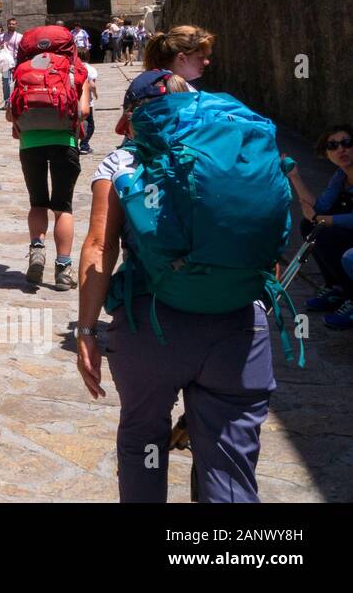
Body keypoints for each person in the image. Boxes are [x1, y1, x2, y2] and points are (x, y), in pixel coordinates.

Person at [77, 71, 286, 503]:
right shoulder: (240, 152)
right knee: (229, 464)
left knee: (144, 443)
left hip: (151, 326)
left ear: (134, 116)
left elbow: (100, 245)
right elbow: (267, 241)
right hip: (239, 326)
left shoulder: (121, 163)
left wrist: (85, 329)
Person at [7, 29, 89, 290]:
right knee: (62, 207)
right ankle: (63, 269)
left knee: (37, 202)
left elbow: (11, 114)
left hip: (30, 144)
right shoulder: (75, 69)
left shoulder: (22, 68)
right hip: (64, 141)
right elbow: (83, 110)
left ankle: (37, 249)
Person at [283, 124, 353, 328]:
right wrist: (294, 176)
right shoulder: (341, 177)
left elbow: (326, 217)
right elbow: (320, 207)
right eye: (333, 145)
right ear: (326, 153)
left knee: (325, 232)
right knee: (308, 227)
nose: (341, 149)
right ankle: (337, 288)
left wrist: (326, 220)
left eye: (347, 143)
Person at [143, 24, 214, 84]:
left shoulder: (153, 87)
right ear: (181, 58)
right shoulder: (170, 95)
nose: (207, 62)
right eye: (201, 57)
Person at [0, 17, 22, 111]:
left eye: (13, 24)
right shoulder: (2, 36)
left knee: (16, 82)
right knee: (6, 82)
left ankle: (16, 102)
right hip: (5, 63)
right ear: (7, 25)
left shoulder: (20, 37)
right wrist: (0, 47)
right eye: (10, 24)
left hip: (16, 62)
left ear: (16, 25)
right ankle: (7, 102)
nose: (11, 25)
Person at [79, 61, 98, 154]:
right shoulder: (90, 69)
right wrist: (95, 93)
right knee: (90, 124)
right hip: (86, 101)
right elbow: (92, 85)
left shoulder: (71, 66)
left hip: (72, 100)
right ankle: (84, 145)